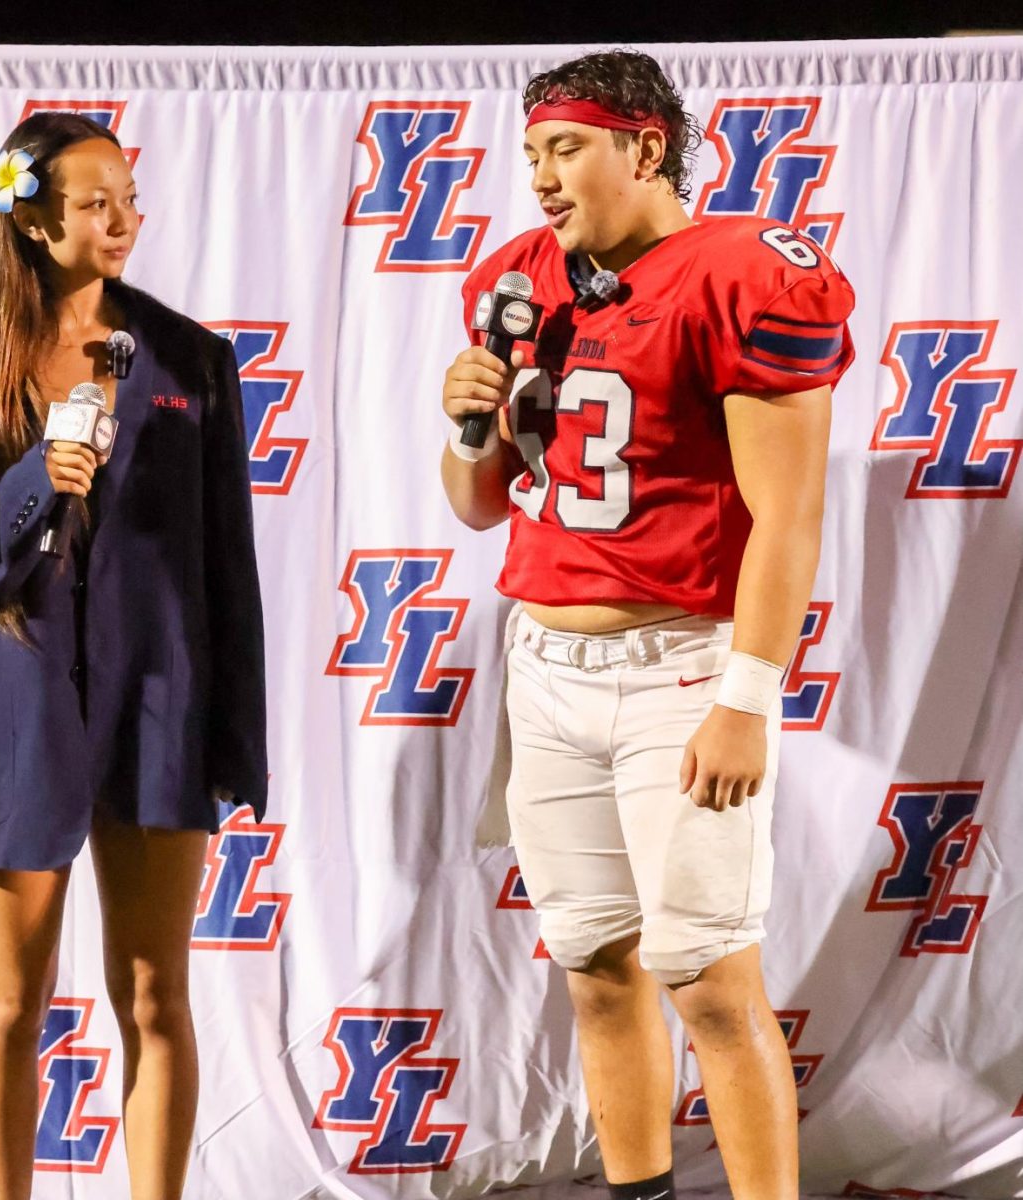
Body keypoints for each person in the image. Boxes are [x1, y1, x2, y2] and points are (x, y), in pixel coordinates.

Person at [441, 51, 854, 1200]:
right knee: (593, 969)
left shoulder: (742, 272)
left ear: (644, 146)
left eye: (563, 148)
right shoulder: (523, 278)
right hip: (546, 661)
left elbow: (788, 518)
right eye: (529, 154)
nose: (539, 179)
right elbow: (475, 504)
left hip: (680, 666)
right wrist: (468, 415)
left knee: (710, 980)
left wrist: (744, 700)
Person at [0, 112, 267, 1200]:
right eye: (98, 204)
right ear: (34, 224)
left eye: (129, 198)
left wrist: (233, 735)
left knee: (155, 994)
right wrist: (34, 481)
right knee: (13, 1000)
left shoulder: (192, 362)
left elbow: (226, 570)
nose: (124, 221)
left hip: (158, 714)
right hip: (14, 719)